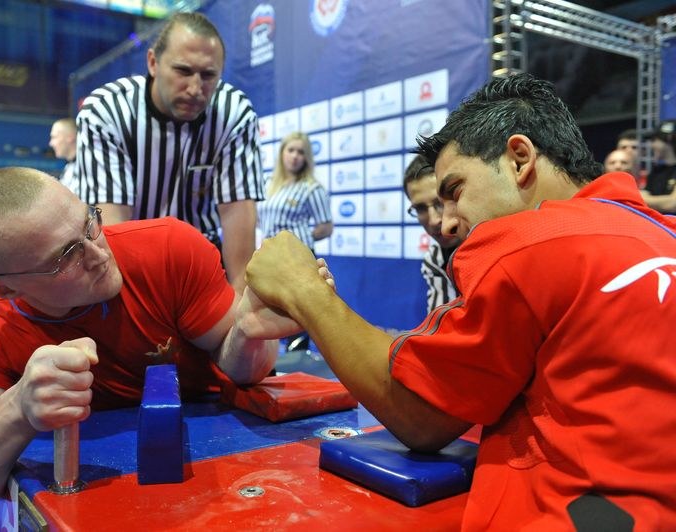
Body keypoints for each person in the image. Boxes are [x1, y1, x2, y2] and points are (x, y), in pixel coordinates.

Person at [245, 74, 676, 530]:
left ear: (519, 159)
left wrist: (302, 289)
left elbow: (421, 415)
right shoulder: (662, 230)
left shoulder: (529, 242)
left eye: (454, 192)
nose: (447, 224)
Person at [0, 166, 323, 524]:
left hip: (238, 477)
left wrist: (250, 334)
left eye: (89, 223)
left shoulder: (166, 248)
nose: (98, 253)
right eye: (65, 257)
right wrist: (17, 408)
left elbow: (245, 372)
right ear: (2, 288)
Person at [76, 12, 264, 294]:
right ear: (153, 63)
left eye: (208, 75)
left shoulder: (234, 113)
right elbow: (114, 224)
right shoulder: (107, 111)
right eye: (183, 71)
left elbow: (237, 212)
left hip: (202, 258)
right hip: (132, 258)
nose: (195, 89)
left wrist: (243, 304)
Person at [257, 132, 332, 351]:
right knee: (266, 313)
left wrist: (300, 240)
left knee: (297, 314)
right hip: (268, 257)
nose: (295, 156)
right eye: (291, 150)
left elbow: (326, 227)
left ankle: (296, 364)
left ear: (307, 157)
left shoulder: (312, 188)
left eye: (301, 152)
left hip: (296, 260)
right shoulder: (268, 184)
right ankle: (266, 364)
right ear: (282, 153)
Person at [403, 154, 460, 313]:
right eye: (421, 208)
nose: (434, 220)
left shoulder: (503, 250)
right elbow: (442, 334)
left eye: (440, 203)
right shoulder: (435, 259)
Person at [640, 120, 676, 214]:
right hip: (658, 227)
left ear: (669, 138)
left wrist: (645, 199)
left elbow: (673, 204)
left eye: (654, 140)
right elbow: (641, 198)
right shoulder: (656, 171)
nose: (652, 145)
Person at [49, 118, 79, 195]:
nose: (51, 143)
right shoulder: (69, 168)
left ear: (70, 137)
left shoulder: (88, 168)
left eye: (54, 137)